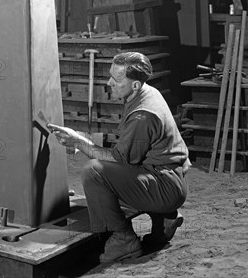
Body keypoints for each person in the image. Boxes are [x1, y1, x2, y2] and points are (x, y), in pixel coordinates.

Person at [50, 52, 190, 263]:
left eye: (116, 80)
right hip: (169, 177)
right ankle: (166, 219)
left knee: (94, 172)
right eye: (110, 76)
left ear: (134, 85)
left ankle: (123, 238)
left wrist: (78, 141)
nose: (109, 83)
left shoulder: (143, 114)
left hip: (165, 187)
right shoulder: (146, 91)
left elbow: (118, 160)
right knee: (109, 179)